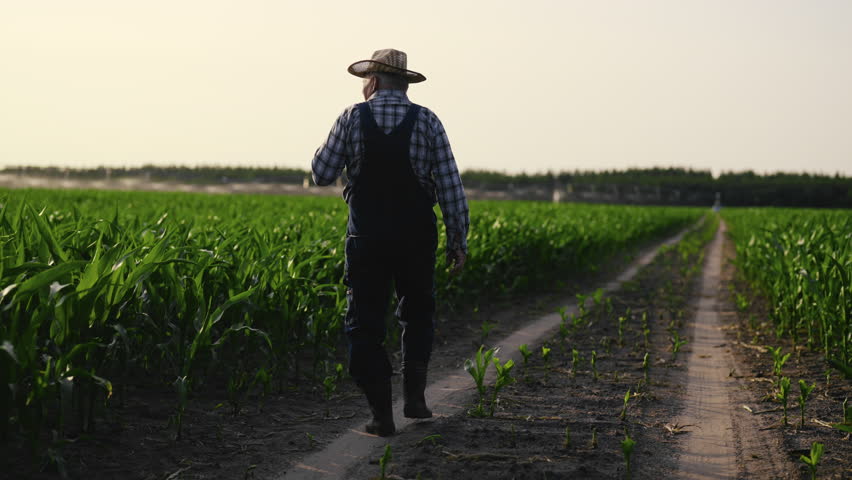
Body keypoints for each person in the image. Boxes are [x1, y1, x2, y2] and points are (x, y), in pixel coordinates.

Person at [311, 48, 469, 436]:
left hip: (367, 239)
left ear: (375, 81)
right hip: (416, 238)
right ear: (405, 83)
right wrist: (457, 241)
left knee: (364, 325)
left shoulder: (351, 116)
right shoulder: (428, 121)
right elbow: (451, 186)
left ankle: (382, 415)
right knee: (417, 315)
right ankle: (415, 398)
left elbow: (321, 173)